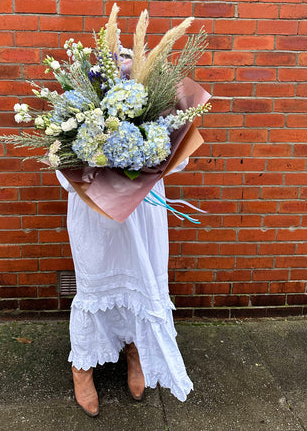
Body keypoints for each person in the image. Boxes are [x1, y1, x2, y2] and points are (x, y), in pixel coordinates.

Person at [56, 158, 193, 417]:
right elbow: (60, 154)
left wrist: (149, 156)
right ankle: (82, 367)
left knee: (141, 278)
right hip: (92, 199)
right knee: (94, 282)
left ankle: (135, 349)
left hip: (143, 203)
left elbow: (179, 153)